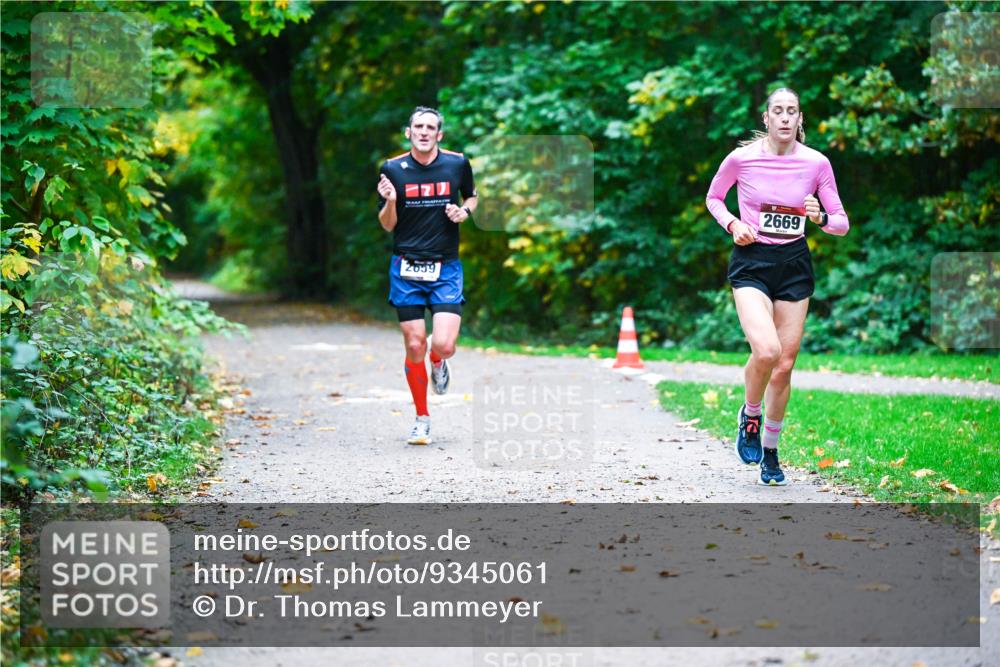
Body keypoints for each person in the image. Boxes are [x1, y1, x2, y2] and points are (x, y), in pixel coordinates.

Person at [705, 87, 849, 485]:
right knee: (766, 350)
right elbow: (714, 198)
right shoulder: (742, 159)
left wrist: (819, 218)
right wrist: (734, 225)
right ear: (766, 119)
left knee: (784, 365)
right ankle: (750, 414)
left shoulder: (817, 163)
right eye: (778, 112)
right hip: (752, 261)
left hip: (794, 263)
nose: (785, 118)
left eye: (792, 112)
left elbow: (841, 223)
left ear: (800, 120)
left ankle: (771, 452)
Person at [376, 106, 478, 445]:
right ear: (408, 132)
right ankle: (422, 417)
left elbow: (473, 197)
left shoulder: (457, 163)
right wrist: (390, 201)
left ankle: (439, 362)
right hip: (406, 267)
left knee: (444, 345)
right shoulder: (392, 168)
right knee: (415, 343)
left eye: (430, 127)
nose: (423, 131)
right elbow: (387, 224)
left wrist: (463, 211)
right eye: (417, 126)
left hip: (445, 266)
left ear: (439, 134)